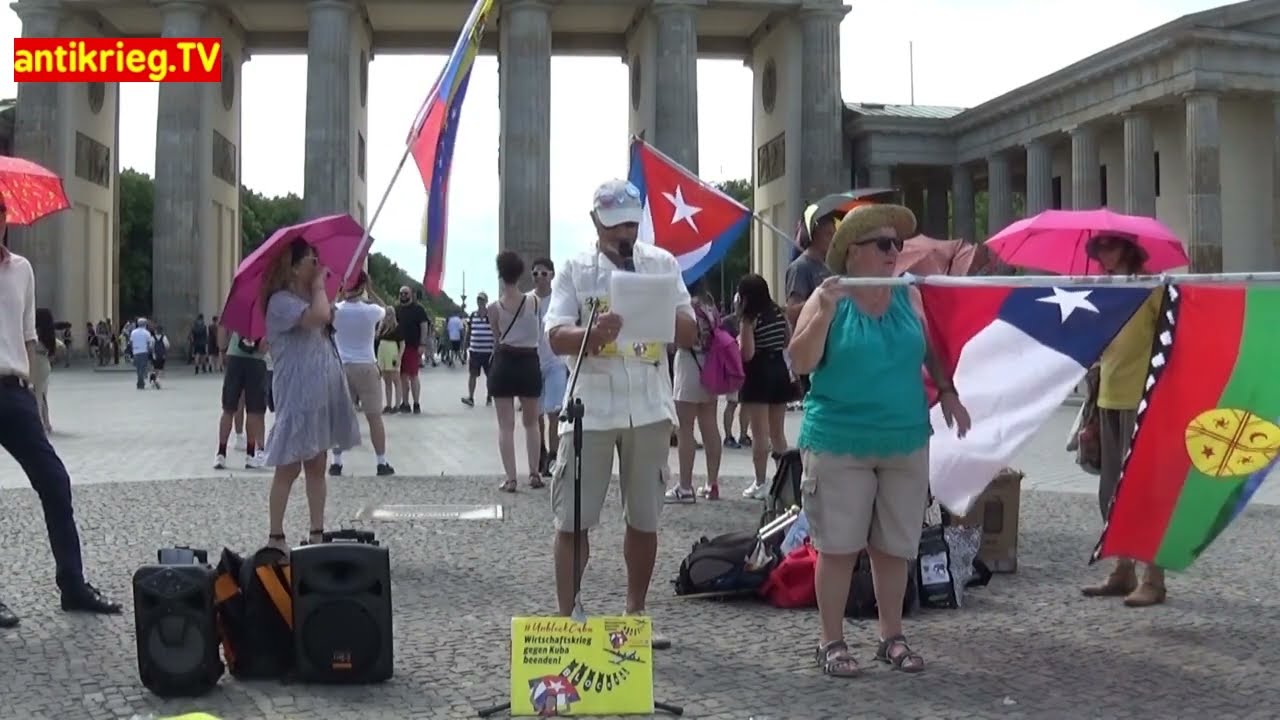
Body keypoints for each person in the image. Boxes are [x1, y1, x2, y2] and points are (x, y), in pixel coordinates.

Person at [789, 203, 971, 677]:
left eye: (898, 244)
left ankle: (891, 635)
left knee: (895, 546)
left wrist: (947, 391)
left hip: (904, 437)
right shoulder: (830, 296)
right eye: (884, 245)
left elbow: (927, 346)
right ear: (853, 252)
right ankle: (831, 641)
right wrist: (823, 315)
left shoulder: (907, 294)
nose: (895, 253)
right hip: (839, 439)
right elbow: (801, 361)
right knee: (839, 546)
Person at [544, 178, 697, 647]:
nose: (623, 234)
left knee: (645, 515)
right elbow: (554, 336)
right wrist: (591, 333)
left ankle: (635, 614)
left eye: (630, 223)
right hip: (591, 402)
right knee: (573, 518)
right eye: (614, 226)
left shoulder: (662, 264)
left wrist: (659, 315)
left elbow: (690, 332)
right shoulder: (574, 269)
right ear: (595, 222)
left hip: (648, 403)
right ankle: (569, 618)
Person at [0, 216, 121, 628]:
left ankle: (73, 585)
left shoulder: (22, 269)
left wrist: (35, 393)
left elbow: (28, 334)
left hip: (14, 389)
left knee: (54, 480)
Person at [1081, 233, 1166, 607]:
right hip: (1109, 397)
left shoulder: (1151, 287)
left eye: (1110, 247)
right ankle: (1123, 567)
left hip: (1142, 398)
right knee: (1111, 489)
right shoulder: (1107, 290)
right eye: (1099, 249)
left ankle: (1154, 576)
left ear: (1127, 249)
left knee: (1144, 490)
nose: (1104, 255)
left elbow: (1169, 338)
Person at [261, 238, 361, 551]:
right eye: (310, 260)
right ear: (293, 267)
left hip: (322, 391)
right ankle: (276, 536)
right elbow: (317, 317)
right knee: (289, 465)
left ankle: (317, 532)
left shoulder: (307, 298)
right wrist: (320, 288)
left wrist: (321, 292)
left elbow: (327, 317)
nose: (317, 265)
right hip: (298, 392)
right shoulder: (280, 301)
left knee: (317, 464)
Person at [329, 271, 396, 477]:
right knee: (374, 417)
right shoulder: (371, 311)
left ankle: (337, 462)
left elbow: (328, 309)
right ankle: (381, 462)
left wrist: (339, 293)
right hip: (366, 365)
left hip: (341, 365)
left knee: (339, 417)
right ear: (362, 287)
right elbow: (390, 311)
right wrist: (372, 290)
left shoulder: (337, 310)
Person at [488, 251, 545, 492]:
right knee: (532, 422)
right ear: (521, 274)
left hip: (504, 362)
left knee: (505, 425)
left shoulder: (494, 307)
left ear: (500, 275)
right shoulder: (534, 302)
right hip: (529, 361)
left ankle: (511, 478)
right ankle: (534, 473)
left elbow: (497, 338)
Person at [736, 274, 796, 499]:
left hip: (758, 373)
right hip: (779, 370)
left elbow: (747, 353)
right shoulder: (779, 312)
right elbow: (787, 340)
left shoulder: (749, 318)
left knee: (760, 434)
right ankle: (785, 480)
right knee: (778, 433)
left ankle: (760, 483)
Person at [668, 277, 723, 502]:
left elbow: (678, 341)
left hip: (689, 365)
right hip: (710, 366)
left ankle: (685, 486)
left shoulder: (686, 307)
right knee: (710, 426)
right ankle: (712, 483)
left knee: (685, 429)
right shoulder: (710, 306)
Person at [531, 258, 567, 478]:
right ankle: (540, 453)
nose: (539, 278)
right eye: (535, 274)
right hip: (532, 362)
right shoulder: (527, 301)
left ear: (552, 275)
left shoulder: (560, 299)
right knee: (536, 414)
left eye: (544, 274)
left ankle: (554, 456)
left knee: (554, 411)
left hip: (556, 361)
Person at [214, 329, 269, 470]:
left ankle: (221, 453)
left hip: (235, 357)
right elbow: (264, 344)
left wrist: (222, 350)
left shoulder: (237, 307)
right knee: (254, 411)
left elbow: (223, 329)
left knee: (228, 408)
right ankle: (250, 455)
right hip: (257, 360)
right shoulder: (266, 308)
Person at [394, 286, 430, 414]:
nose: (403, 295)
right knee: (402, 376)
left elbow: (424, 326)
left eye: (405, 293)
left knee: (413, 375)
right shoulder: (396, 309)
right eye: (401, 293)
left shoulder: (418, 309)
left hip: (413, 346)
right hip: (398, 347)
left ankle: (416, 403)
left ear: (411, 294)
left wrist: (422, 344)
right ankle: (405, 403)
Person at [462, 292, 494, 407]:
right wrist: (465, 347)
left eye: (482, 300)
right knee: (472, 374)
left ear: (486, 301)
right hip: (474, 350)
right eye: (478, 300)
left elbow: (496, 332)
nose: (480, 302)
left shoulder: (491, 315)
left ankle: (489, 396)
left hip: (488, 352)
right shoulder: (473, 315)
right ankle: (471, 397)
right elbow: (468, 332)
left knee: (490, 375)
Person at [30, 307, 58, 434]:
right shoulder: (49, 335)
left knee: (36, 395)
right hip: (44, 363)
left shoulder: (35, 334)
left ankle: (40, 424)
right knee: (42, 394)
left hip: (35, 362)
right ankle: (46, 423)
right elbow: (60, 347)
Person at [376, 318, 403, 413]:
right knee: (387, 380)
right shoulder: (381, 328)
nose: (388, 316)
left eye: (390, 314)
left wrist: (399, 356)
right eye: (387, 314)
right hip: (382, 353)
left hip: (392, 353)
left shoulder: (397, 328)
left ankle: (397, 405)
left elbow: (402, 344)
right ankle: (388, 405)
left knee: (396, 380)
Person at [128, 318, 153, 390]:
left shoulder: (133, 332)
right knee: (142, 368)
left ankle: (140, 382)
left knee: (138, 368)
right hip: (144, 352)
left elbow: (131, 342)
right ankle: (140, 382)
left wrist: (132, 351)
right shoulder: (147, 333)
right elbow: (149, 343)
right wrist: (149, 351)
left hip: (136, 352)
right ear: (145, 324)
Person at [148, 324, 170, 389]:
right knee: (160, 368)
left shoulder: (152, 338)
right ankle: (157, 379)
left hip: (154, 355)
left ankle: (153, 380)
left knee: (154, 368)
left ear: (156, 331)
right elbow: (167, 345)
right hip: (162, 355)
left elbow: (150, 346)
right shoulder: (164, 337)